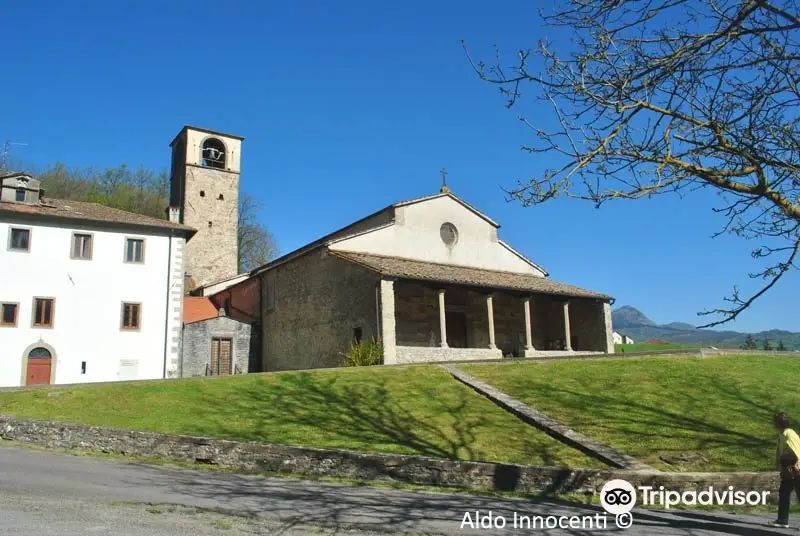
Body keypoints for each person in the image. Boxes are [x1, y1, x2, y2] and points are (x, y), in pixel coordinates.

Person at [771, 412, 800, 528]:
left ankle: (782, 520)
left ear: (779, 423)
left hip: (795, 469)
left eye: (775, 422)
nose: (773, 424)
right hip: (788, 469)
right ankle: (782, 520)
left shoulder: (790, 434)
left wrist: (796, 465)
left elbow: (797, 450)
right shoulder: (782, 433)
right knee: (783, 493)